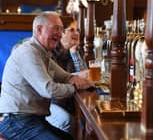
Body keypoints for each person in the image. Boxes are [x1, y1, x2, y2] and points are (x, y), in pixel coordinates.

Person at [0, 11, 92, 140]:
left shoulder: (43, 54)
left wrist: (75, 79)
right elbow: (48, 90)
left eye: (61, 29)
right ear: (39, 29)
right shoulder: (28, 52)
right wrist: (75, 87)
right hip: (16, 121)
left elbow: (65, 76)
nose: (60, 34)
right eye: (56, 29)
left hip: (32, 119)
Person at [46, 18, 88, 135]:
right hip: (50, 102)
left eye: (78, 30)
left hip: (67, 100)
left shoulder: (71, 51)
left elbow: (84, 75)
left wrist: (74, 52)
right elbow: (53, 80)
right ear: (61, 32)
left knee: (84, 120)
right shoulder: (52, 51)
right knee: (68, 121)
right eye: (72, 30)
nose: (76, 33)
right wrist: (77, 76)